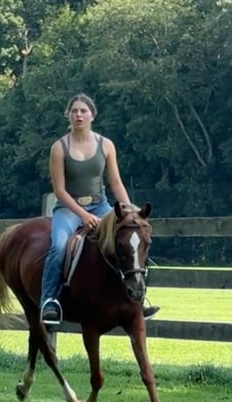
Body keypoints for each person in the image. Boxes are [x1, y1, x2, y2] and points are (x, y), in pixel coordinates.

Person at [40, 93, 160, 325]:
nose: (78, 115)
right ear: (68, 115)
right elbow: (60, 191)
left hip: (101, 204)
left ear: (92, 115)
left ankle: (138, 298)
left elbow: (115, 182)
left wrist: (130, 212)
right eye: (74, 111)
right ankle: (49, 300)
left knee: (133, 236)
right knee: (59, 246)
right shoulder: (59, 148)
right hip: (69, 209)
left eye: (83, 111)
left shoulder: (106, 145)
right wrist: (83, 215)